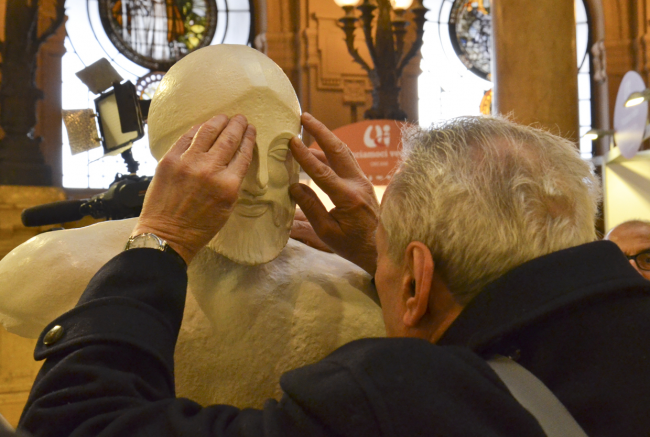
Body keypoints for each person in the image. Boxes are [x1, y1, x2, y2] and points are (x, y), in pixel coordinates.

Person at [18, 113, 650, 436]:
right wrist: (386, 250)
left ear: (415, 281)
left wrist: (162, 239)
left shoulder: (403, 401)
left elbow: (78, 428)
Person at [0, 45, 384, 408]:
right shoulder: (54, 268)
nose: (263, 182)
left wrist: (378, 253)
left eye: (281, 154)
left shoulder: (351, 290)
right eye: (233, 153)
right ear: (170, 159)